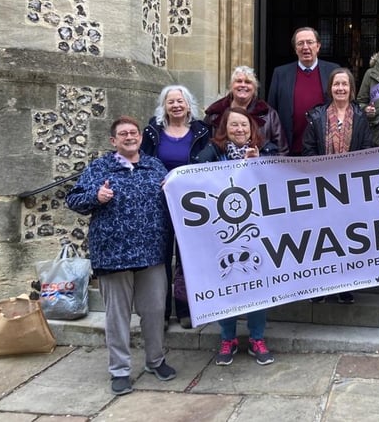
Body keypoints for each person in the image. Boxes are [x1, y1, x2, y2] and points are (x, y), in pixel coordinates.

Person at [66, 116, 176, 396]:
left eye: (134, 132)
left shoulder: (154, 166)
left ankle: (156, 360)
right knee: (117, 316)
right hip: (113, 254)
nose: (129, 137)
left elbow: (175, 197)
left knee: (153, 311)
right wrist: (96, 196)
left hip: (152, 251)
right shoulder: (101, 167)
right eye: (123, 134)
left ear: (140, 137)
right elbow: (74, 199)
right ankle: (120, 370)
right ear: (113, 141)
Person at [195, 106, 275, 366]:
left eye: (244, 125)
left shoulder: (267, 150)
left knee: (257, 284)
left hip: (256, 230)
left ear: (252, 129)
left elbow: (279, 179)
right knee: (226, 282)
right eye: (233, 126)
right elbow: (193, 171)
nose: (239, 130)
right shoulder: (213, 152)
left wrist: (258, 162)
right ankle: (227, 338)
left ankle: (256, 338)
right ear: (225, 130)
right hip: (222, 231)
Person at [140, 85, 211, 330]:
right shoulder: (152, 132)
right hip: (160, 203)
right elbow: (143, 163)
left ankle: (185, 309)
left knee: (187, 258)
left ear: (188, 105)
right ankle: (160, 312)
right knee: (160, 260)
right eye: (171, 102)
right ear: (164, 106)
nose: (176, 105)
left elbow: (208, 163)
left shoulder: (202, 131)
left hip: (191, 205)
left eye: (180, 101)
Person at [302, 67, 375, 304]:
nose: (340, 88)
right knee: (322, 238)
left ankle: (344, 284)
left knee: (346, 238)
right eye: (336, 84)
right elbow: (308, 150)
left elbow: (367, 148)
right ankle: (320, 286)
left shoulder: (362, 118)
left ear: (352, 89)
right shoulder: (316, 116)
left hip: (350, 188)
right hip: (322, 187)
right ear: (330, 88)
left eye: (345, 84)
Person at [267, 27, 340, 155]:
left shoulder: (333, 71)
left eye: (310, 42)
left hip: (324, 151)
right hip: (289, 149)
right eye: (300, 43)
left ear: (318, 46)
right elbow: (271, 112)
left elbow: (343, 106)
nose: (305, 47)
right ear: (295, 49)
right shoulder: (280, 73)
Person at [204, 65, 289, 155]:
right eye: (239, 81)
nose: (243, 85)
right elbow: (203, 147)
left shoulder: (269, 114)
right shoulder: (214, 113)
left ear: (255, 88)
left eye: (248, 82)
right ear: (231, 86)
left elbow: (282, 151)